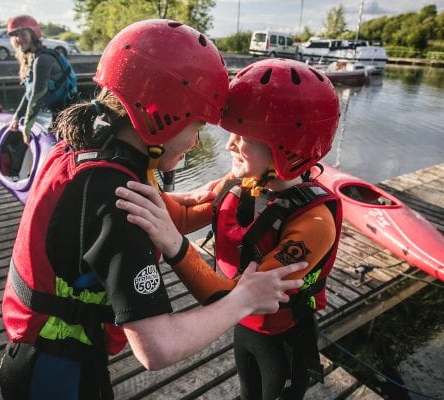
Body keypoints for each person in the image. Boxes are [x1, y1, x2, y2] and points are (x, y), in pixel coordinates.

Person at [0, 20, 307, 400]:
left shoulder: (87, 140)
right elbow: (156, 347)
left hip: (34, 355)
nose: (195, 141)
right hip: (58, 374)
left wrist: (190, 201)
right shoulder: (121, 201)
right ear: (165, 116)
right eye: (197, 126)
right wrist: (245, 298)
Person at [115, 59, 342, 400]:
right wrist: (141, 165)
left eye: (243, 137)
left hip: (281, 337)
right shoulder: (240, 183)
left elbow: (236, 296)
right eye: (231, 133)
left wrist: (176, 247)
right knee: (247, 390)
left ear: (287, 146)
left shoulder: (314, 224)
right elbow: (180, 214)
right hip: (241, 327)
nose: (228, 145)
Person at [7, 15, 78, 144]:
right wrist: (17, 117)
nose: (18, 39)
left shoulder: (43, 59)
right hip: (57, 116)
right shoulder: (35, 58)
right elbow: (29, 94)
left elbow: (37, 96)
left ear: (34, 34)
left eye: (22, 34)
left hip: (68, 119)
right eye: (15, 35)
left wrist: (27, 129)